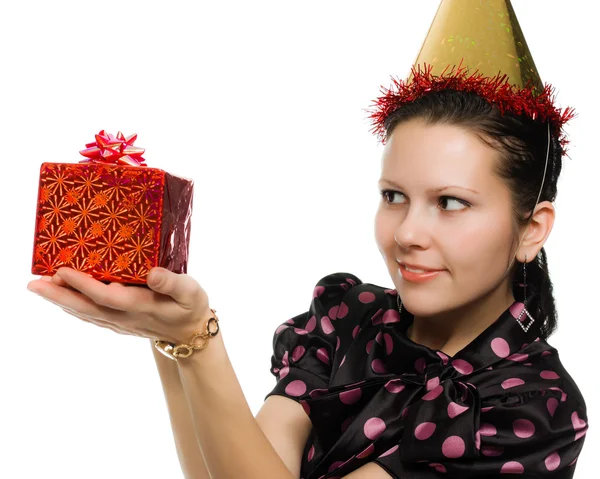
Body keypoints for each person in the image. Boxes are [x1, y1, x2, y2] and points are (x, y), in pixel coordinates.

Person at [26, 1, 589, 478]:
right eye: (394, 196)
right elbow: (224, 469)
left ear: (531, 228)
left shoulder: (532, 407)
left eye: (450, 203)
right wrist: (169, 340)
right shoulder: (347, 315)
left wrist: (198, 341)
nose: (408, 234)